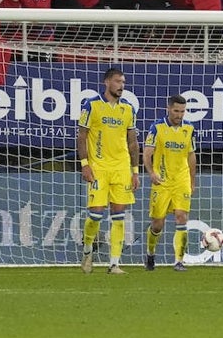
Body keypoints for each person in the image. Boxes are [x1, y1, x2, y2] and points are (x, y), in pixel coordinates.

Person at [77, 67, 140, 275]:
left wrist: (135, 171)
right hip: (99, 168)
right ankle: (87, 250)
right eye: (117, 81)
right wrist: (85, 164)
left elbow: (132, 142)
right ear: (106, 82)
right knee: (95, 216)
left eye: (123, 82)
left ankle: (114, 263)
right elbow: (82, 136)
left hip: (121, 168)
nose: (121, 86)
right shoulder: (92, 105)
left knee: (119, 216)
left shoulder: (128, 109)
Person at [143, 95, 198, 272]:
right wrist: (151, 172)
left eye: (182, 111)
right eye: (176, 111)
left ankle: (179, 261)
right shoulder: (157, 128)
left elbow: (191, 155)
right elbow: (147, 153)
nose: (179, 115)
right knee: (158, 224)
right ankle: (150, 253)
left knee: (182, 217)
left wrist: (192, 180)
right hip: (162, 181)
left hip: (181, 180)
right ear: (168, 109)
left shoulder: (189, 129)